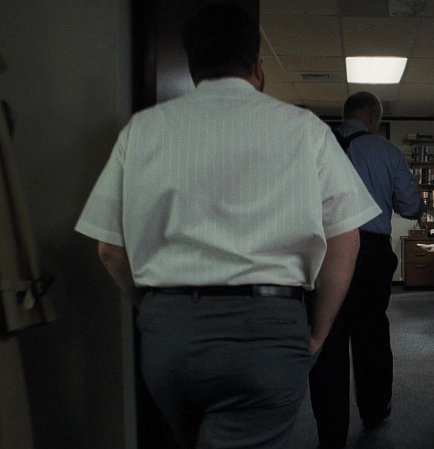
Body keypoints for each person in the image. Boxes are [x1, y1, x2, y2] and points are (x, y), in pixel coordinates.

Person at [73, 4, 380, 449]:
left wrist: (157, 311)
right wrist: (319, 331)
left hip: (170, 334)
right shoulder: (305, 130)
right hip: (267, 332)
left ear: (193, 68)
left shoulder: (143, 130)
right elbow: (346, 239)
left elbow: (109, 250)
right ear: (257, 66)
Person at [309, 91, 425, 449]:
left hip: (324, 249)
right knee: (371, 332)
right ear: (374, 118)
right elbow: (411, 207)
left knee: (327, 338)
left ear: (345, 114)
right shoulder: (386, 151)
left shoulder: (316, 145)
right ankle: (374, 411)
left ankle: (331, 432)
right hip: (370, 252)